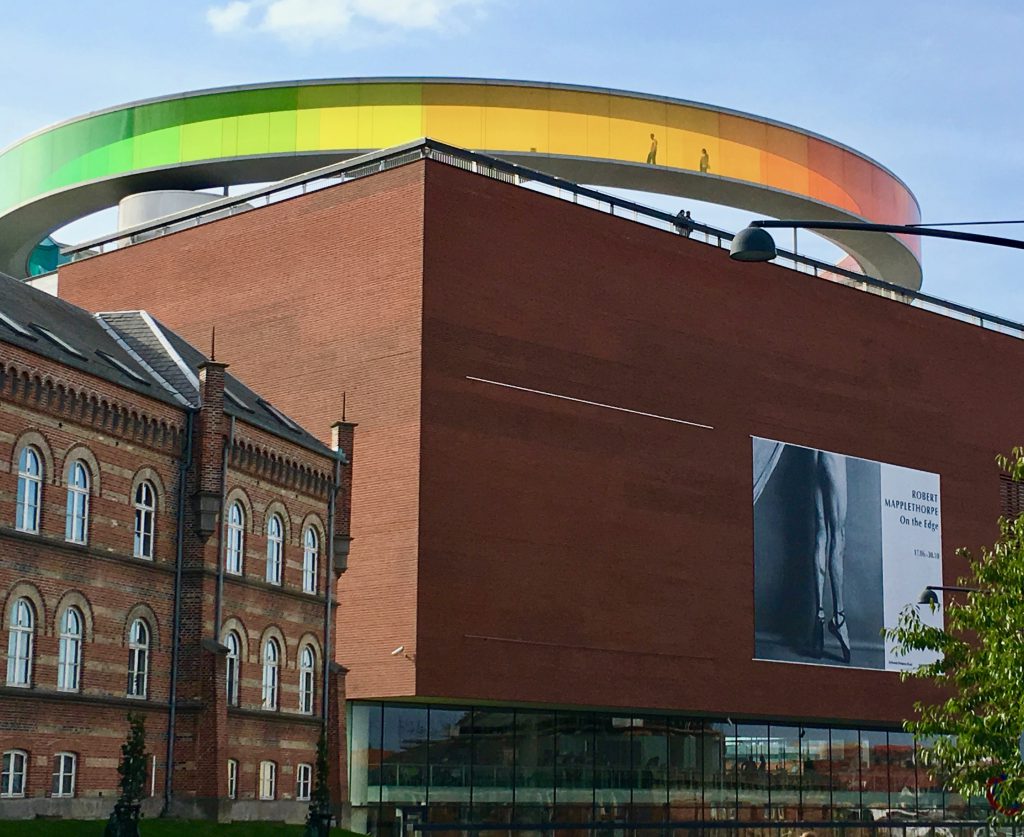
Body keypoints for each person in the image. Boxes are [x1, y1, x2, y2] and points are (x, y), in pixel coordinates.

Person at [811, 450, 851, 663]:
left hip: (812, 454)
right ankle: (839, 617)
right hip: (833, 455)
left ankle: (818, 618)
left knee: (820, 531)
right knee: (838, 533)